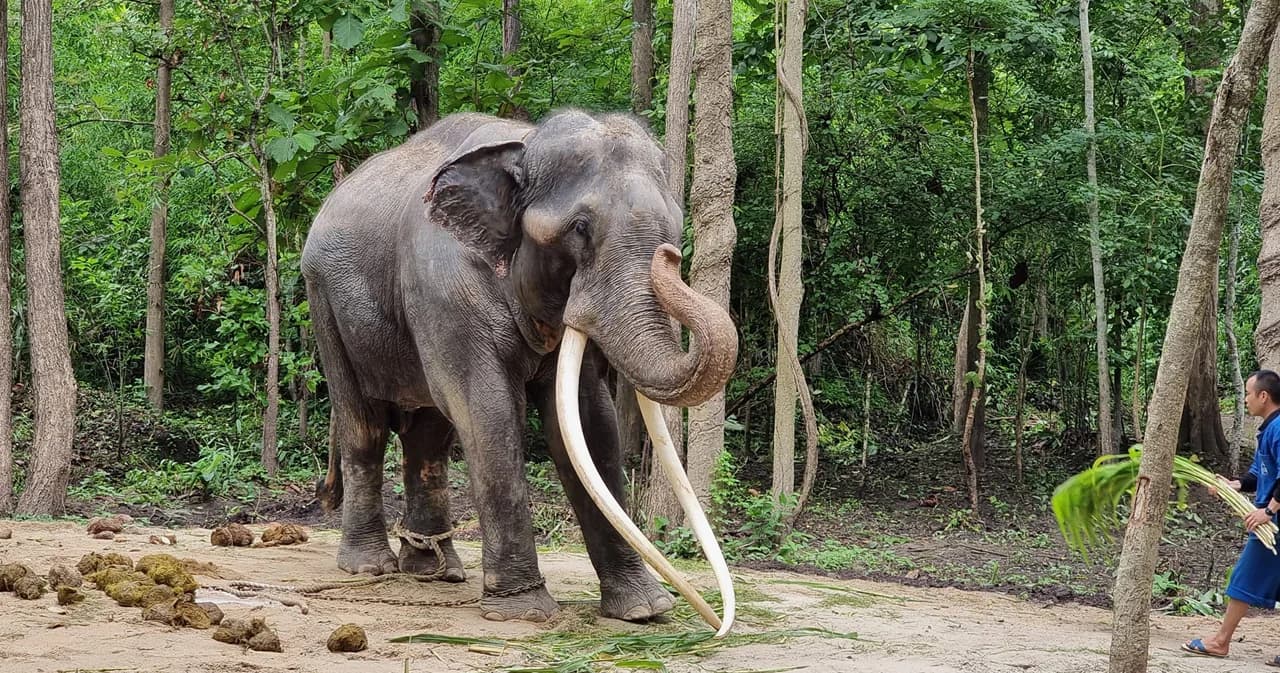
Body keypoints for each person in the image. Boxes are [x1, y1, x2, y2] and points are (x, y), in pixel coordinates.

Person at [1183, 369, 1280, 662]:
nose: (1245, 400)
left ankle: (1221, 641)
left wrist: (1269, 511)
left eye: (1248, 394)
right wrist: (1234, 485)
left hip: (1271, 520)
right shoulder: (1267, 428)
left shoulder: (1279, 429)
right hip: (1268, 514)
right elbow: (1259, 474)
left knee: (1243, 579)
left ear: (1264, 396)